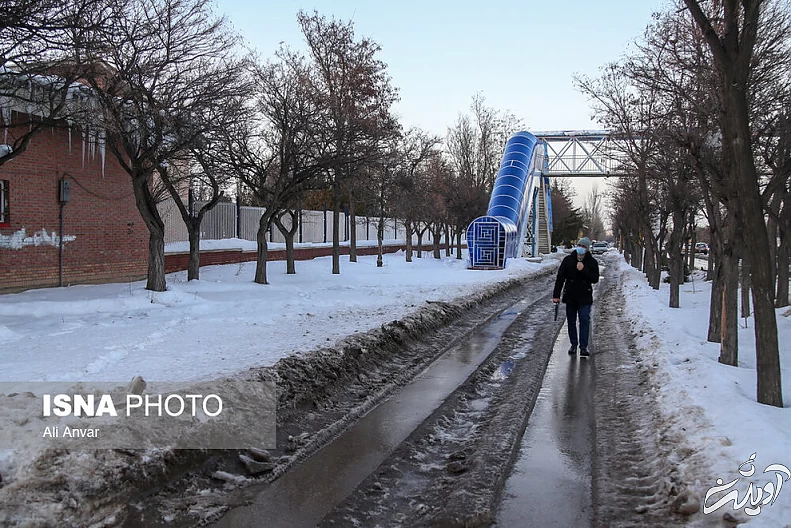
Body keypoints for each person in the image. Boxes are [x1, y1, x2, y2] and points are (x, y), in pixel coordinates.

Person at [552, 237, 600, 357]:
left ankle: (583, 347)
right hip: (570, 295)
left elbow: (595, 279)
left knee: (584, 319)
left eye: (583, 247)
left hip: (585, 296)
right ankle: (573, 344)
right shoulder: (568, 260)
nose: (581, 248)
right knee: (571, 321)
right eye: (579, 245)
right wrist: (556, 295)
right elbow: (560, 278)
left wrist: (583, 270)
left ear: (587, 249)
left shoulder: (592, 262)